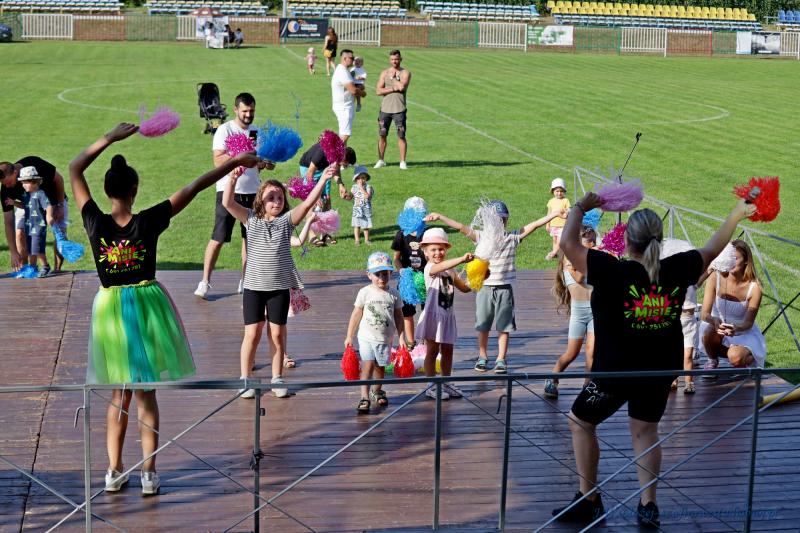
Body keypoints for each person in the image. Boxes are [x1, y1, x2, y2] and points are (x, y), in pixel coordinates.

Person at [69, 122, 260, 495]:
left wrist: (109, 137)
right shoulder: (148, 220)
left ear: (106, 191)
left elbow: (75, 168)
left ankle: (113, 471)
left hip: (110, 311)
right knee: (145, 393)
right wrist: (235, 161)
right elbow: (196, 186)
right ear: (135, 190)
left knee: (119, 393)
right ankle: (148, 473)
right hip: (146, 308)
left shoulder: (94, 221)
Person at [553, 190, 757, 528]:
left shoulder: (607, 268)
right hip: (660, 368)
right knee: (645, 431)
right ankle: (648, 506)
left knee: (580, 421)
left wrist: (580, 207)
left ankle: (589, 500)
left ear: (627, 240)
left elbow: (567, 244)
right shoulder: (678, 267)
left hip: (615, 372)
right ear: (659, 241)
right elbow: (712, 249)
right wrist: (736, 213)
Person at [222, 162, 336, 399]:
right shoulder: (250, 219)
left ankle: (277, 378)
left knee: (276, 334)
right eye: (271, 198)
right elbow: (227, 203)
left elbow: (307, 204)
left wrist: (324, 179)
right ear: (260, 201)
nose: (276, 201)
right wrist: (232, 179)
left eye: (280, 197)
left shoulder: (286, 221)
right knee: (252, 334)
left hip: (278, 289)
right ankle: (246, 379)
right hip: (254, 288)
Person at [425, 202, 560, 374]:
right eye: (496, 220)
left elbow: (534, 225)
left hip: (504, 288)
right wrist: (440, 217)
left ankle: (501, 358)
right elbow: (460, 227)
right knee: (483, 325)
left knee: (504, 326)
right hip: (485, 288)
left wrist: (555, 214)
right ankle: (482, 356)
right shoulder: (481, 237)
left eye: (503, 220)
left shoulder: (512, 237)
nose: (500, 223)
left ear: (507, 220)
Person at [195, 92, 273, 300]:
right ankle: (205, 281)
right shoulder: (225, 129)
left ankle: (245, 280)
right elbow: (217, 160)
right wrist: (240, 158)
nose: (248, 115)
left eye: (251, 111)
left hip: (253, 192)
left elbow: (259, 163)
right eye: (245, 111)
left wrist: (264, 163)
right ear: (235, 109)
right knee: (218, 238)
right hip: (228, 191)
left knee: (250, 239)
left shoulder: (256, 132)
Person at [344, 251, 406, 414]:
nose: (382, 278)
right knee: (368, 365)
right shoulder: (365, 292)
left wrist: (402, 337)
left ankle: (377, 390)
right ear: (369, 275)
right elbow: (356, 314)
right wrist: (349, 335)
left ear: (390, 274)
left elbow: (399, 317)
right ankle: (364, 397)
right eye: (377, 274)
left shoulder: (394, 294)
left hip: (385, 338)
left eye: (385, 274)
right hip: (366, 337)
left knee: (380, 367)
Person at [416, 227, 473, 400]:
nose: (437, 253)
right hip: (434, 316)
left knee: (448, 350)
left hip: (447, 316)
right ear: (425, 252)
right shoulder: (430, 268)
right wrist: (462, 259)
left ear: (446, 249)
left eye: (441, 249)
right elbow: (440, 267)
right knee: (432, 350)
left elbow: (464, 288)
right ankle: (431, 384)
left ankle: (446, 382)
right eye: (433, 249)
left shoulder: (450, 270)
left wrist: (480, 276)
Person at [545, 226, 598, 398]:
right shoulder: (570, 260)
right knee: (572, 353)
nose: (594, 244)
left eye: (594, 241)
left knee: (592, 351)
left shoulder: (592, 259)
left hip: (595, 311)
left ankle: (587, 385)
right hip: (579, 313)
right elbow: (580, 278)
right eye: (590, 241)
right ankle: (553, 377)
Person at [701, 240, 766, 371]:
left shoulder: (755, 287)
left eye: (735, 259)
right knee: (708, 331)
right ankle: (712, 360)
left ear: (746, 261)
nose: (730, 262)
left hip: (742, 331)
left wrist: (736, 328)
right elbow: (704, 314)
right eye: (728, 258)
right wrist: (713, 320)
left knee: (735, 358)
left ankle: (746, 358)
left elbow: (748, 323)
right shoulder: (715, 277)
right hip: (717, 328)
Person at [1, 156, 68, 272]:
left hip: (56, 199)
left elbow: (58, 180)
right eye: (3, 184)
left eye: (9, 182)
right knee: (29, 242)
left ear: (16, 173)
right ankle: (29, 269)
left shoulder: (36, 165)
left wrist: (58, 207)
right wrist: (13, 252)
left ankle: (56, 269)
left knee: (58, 237)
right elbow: (9, 221)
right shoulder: (9, 189)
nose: (7, 186)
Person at [297, 141, 355, 246]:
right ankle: (311, 236)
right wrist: (315, 196)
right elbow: (310, 174)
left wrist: (340, 185)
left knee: (327, 200)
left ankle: (325, 234)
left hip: (323, 169)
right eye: (345, 163)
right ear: (342, 157)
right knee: (310, 203)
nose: (344, 166)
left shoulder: (337, 154)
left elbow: (335, 169)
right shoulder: (321, 153)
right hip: (308, 169)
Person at [392, 196, 428, 345]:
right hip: (407, 278)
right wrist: (401, 271)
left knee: (427, 311)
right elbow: (396, 258)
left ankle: (426, 342)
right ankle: (411, 342)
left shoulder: (428, 233)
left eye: (419, 214)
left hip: (426, 278)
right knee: (407, 312)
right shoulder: (401, 234)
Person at [374, 49, 411, 170]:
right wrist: (392, 88)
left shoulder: (405, 73)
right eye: (392, 59)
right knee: (382, 135)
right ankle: (381, 160)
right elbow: (378, 91)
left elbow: (402, 87)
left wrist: (393, 78)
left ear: (401, 59)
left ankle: (402, 162)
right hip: (385, 110)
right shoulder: (384, 73)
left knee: (401, 135)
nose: (394, 61)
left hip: (399, 110)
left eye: (396, 59)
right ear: (389, 60)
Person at [18, 166, 54, 277]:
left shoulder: (40, 194)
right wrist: (13, 203)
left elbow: (48, 205)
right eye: (22, 183)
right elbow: (24, 205)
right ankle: (33, 267)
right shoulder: (25, 195)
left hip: (39, 226)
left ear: (33, 182)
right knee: (30, 249)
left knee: (37, 248)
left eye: (25, 183)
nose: (23, 185)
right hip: (29, 226)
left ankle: (46, 266)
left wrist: (49, 216)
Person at [331, 49, 366, 144]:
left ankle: (341, 154)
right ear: (344, 58)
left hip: (344, 105)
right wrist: (363, 93)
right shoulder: (342, 71)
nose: (353, 60)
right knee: (345, 134)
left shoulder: (344, 70)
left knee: (343, 134)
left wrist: (359, 86)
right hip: (344, 107)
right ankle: (334, 152)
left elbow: (352, 86)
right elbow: (353, 90)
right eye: (351, 58)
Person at [545, 178, 570, 260]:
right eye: (557, 191)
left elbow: (568, 210)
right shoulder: (551, 201)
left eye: (561, 191)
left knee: (559, 241)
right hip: (553, 224)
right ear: (553, 191)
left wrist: (566, 213)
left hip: (562, 225)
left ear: (564, 191)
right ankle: (555, 252)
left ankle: (552, 254)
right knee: (554, 240)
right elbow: (549, 214)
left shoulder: (565, 200)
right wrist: (547, 224)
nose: (559, 193)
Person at [350, 165, 373, 245]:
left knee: (365, 226)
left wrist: (361, 188)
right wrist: (346, 196)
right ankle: (357, 240)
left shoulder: (368, 187)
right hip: (357, 210)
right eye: (358, 178)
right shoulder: (354, 187)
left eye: (363, 178)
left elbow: (367, 196)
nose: (361, 180)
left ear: (366, 178)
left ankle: (367, 240)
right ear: (355, 179)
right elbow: (351, 196)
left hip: (365, 210)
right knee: (357, 225)